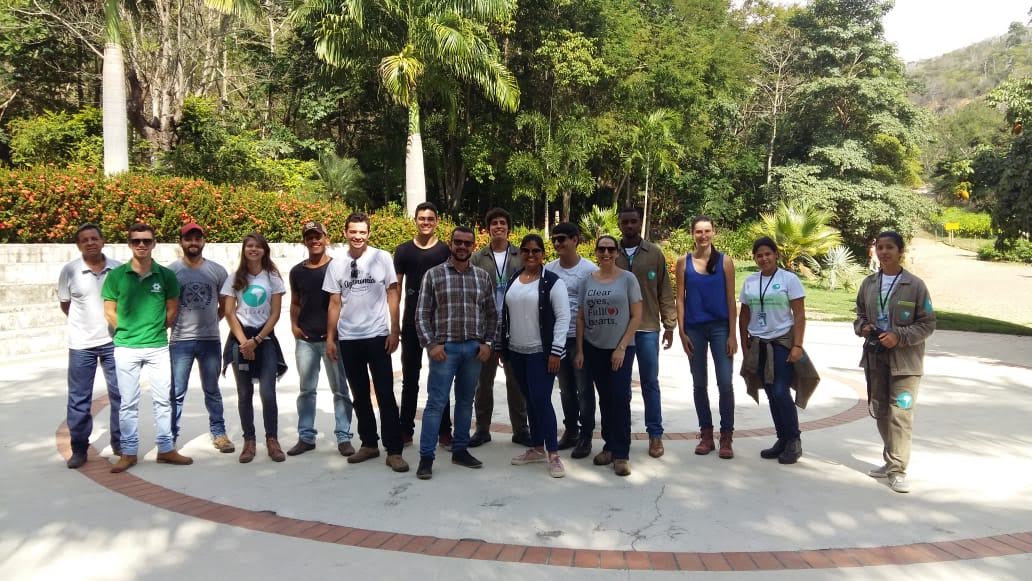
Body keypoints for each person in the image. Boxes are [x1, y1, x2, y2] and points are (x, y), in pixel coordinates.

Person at [102, 223, 191, 473]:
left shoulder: (166, 276)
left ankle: (166, 449)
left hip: (157, 347)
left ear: (154, 244)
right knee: (128, 402)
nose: (141, 245)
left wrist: (155, 329)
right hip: (126, 348)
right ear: (129, 244)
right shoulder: (116, 276)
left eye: (146, 241)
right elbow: (109, 311)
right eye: (136, 241)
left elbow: (172, 310)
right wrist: (128, 330)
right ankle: (129, 452)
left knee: (163, 401)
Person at [324, 212, 408, 472]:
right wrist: (330, 338)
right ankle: (369, 443)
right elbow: (334, 302)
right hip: (349, 338)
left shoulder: (382, 257)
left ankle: (394, 450)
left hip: (377, 336)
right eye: (353, 231)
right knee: (359, 395)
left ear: (369, 233)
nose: (358, 236)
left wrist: (394, 329)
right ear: (345, 233)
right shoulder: (336, 264)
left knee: (385, 394)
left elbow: (392, 293)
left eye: (362, 232)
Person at [854, 231, 936, 494]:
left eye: (890, 247)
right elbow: (859, 314)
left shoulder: (915, 285)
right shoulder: (869, 284)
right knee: (880, 410)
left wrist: (899, 336)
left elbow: (927, 323)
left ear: (901, 251)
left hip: (906, 363)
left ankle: (898, 469)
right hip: (875, 358)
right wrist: (863, 327)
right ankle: (891, 459)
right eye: (880, 247)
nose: (884, 252)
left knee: (900, 415)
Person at [414, 227, 498, 479]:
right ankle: (426, 457)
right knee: (436, 404)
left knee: (465, 401)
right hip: (445, 350)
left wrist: (487, 343)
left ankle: (460, 449)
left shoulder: (482, 277)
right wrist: (431, 345)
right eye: (458, 242)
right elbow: (421, 314)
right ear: (450, 244)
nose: (462, 247)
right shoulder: (434, 274)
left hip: (473, 350)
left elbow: (492, 314)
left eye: (467, 243)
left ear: (474, 246)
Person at [738, 237, 819, 465]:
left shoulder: (788, 279)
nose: (764, 258)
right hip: (759, 344)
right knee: (771, 393)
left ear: (776, 255)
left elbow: (799, 315)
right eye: (759, 255)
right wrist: (744, 345)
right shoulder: (750, 281)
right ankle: (782, 439)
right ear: (755, 258)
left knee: (781, 391)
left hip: (782, 343)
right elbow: (744, 315)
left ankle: (794, 440)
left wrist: (797, 345)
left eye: (768, 254)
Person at [499, 234, 571, 478]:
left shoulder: (552, 282)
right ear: (520, 253)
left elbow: (563, 318)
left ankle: (554, 454)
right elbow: (506, 314)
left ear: (543, 254)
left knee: (541, 400)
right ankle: (537, 447)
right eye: (526, 250)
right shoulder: (514, 279)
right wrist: (503, 347)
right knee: (530, 400)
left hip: (541, 353)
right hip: (516, 351)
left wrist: (556, 351)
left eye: (536, 251)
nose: (531, 255)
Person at [286, 221, 355, 458]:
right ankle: (306, 437)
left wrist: (334, 334)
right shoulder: (297, 271)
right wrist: (294, 326)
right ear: (304, 241)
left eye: (318, 236)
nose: (314, 241)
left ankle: (344, 437)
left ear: (326, 239)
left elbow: (342, 302)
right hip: (305, 340)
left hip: (332, 340)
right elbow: (295, 301)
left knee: (340, 390)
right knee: (306, 390)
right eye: (309, 237)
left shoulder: (338, 267)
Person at [575, 235, 642, 477]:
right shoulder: (587, 281)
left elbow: (636, 315)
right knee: (605, 399)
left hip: (620, 349)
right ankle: (609, 447)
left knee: (620, 398)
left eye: (610, 249)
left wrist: (621, 347)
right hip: (594, 348)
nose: (606, 253)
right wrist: (580, 350)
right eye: (601, 249)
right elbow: (580, 317)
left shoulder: (628, 279)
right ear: (596, 251)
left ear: (616, 252)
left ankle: (622, 454)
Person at [58, 223, 122, 469]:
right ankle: (79, 449)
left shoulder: (118, 269)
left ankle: (120, 442)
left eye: (94, 238)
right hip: (81, 345)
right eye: (84, 240)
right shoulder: (70, 271)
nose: (90, 243)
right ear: (78, 245)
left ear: (103, 241)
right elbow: (66, 304)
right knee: (79, 399)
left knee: (121, 394)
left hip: (114, 342)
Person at [221, 232, 288, 463]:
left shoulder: (272, 278)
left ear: (264, 251)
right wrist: (244, 343)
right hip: (241, 339)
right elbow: (229, 312)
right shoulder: (234, 278)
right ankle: (249, 441)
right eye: (249, 245)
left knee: (268, 392)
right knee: (244, 393)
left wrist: (257, 340)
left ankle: (272, 439)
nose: (253, 249)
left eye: (258, 246)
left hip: (264, 339)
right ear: (244, 249)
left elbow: (275, 313)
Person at [615, 207, 676, 458]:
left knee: (650, 382)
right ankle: (622, 435)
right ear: (619, 224)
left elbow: (665, 290)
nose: (629, 226)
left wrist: (669, 324)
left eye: (633, 221)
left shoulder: (654, 253)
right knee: (621, 387)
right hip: (619, 332)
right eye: (625, 222)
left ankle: (655, 434)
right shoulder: (612, 253)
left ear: (640, 223)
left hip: (648, 328)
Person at [675, 216, 738, 459]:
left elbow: (731, 299)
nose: (703, 235)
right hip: (695, 329)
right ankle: (706, 435)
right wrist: (682, 332)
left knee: (725, 383)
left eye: (707, 231)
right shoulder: (684, 262)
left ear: (714, 232)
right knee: (699, 383)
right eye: (699, 231)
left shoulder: (725, 262)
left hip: (721, 327)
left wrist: (733, 334)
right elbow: (680, 299)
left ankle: (726, 436)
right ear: (692, 233)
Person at [168, 222, 234, 454]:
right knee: (176, 392)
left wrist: (212, 321)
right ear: (181, 242)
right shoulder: (171, 272)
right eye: (189, 239)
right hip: (180, 341)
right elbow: (166, 306)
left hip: (210, 340)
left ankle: (219, 433)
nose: (193, 243)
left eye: (198, 238)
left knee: (212, 390)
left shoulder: (217, 271)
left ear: (204, 241)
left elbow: (226, 305)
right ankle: (170, 437)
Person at [394, 202, 453, 450]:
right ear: (415, 220)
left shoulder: (445, 251)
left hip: (439, 325)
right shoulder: (403, 251)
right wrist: (394, 324)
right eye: (422, 218)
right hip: (411, 323)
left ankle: (444, 431)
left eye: (430, 219)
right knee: (410, 379)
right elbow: (396, 289)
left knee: (440, 379)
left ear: (437, 221)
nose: (425, 222)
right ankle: (405, 430)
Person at [469, 208, 529, 447]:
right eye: (494, 223)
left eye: (503, 222)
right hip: (486, 327)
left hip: (514, 326)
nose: (499, 226)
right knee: (484, 382)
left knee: (516, 381)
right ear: (488, 229)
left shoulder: (520, 256)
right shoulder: (478, 258)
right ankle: (482, 429)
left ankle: (521, 430)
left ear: (508, 228)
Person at [544, 222, 598, 459]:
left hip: (580, 339)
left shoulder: (590, 270)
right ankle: (571, 431)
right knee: (566, 389)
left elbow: (593, 305)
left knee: (584, 389)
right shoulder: (549, 269)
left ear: (575, 240)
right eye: (554, 239)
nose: (557, 243)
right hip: (558, 339)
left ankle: (586, 435)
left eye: (562, 239)